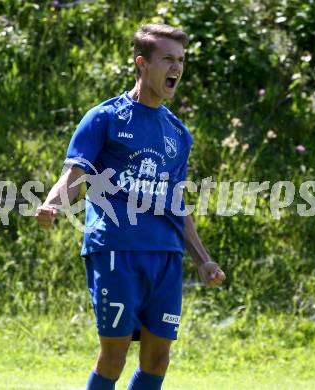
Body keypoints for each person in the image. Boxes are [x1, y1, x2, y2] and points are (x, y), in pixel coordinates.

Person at [35, 23, 225, 390]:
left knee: (157, 359)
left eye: (181, 60)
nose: (177, 68)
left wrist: (203, 258)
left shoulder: (178, 133)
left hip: (166, 254)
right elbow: (75, 173)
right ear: (143, 63)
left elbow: (176, 202)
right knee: (114, 356)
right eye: (168, 59)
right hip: (115, 250)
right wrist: (51, 203)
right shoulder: (105, 118)